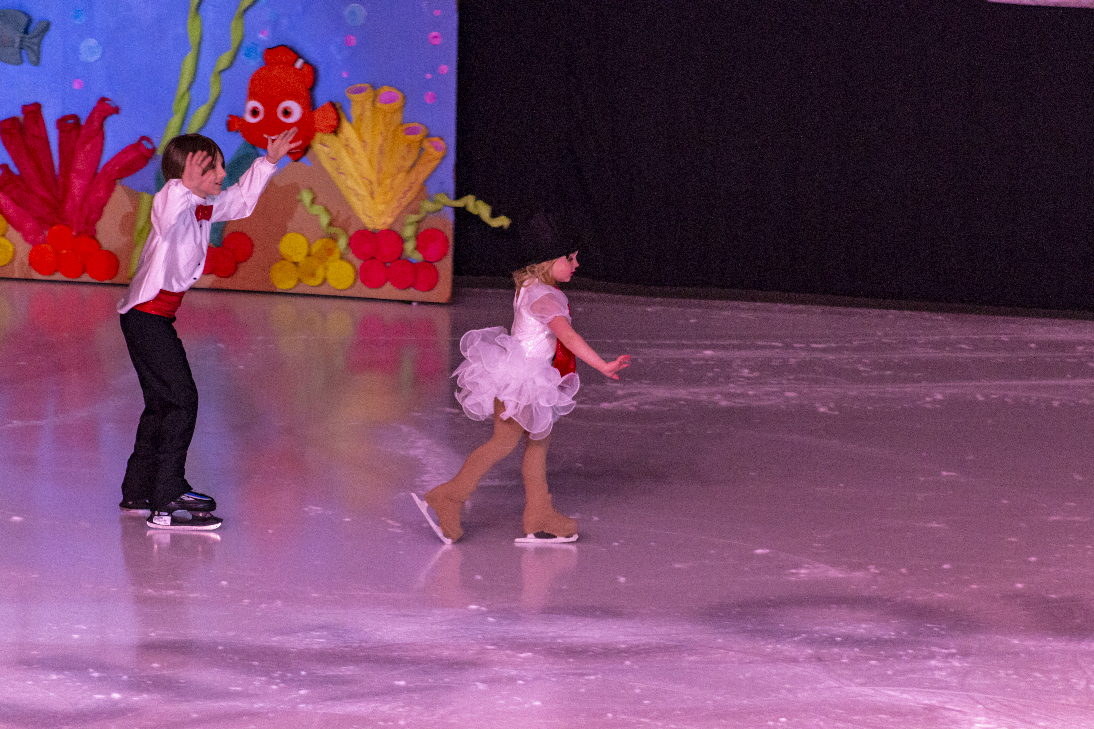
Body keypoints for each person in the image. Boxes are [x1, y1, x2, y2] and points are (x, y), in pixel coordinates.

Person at [117, 129, 299, 531]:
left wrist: (268, 161)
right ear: (185, 174)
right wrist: (182, 183)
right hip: (147, 318)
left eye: (219, 164)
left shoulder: (203, 205)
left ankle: (138, 488)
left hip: (152, 318)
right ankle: (167, 495)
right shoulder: (171, 202)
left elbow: (240, 200)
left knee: (162, 404)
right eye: (210, 167)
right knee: (182, 401)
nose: (220, 173)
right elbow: (169, 208)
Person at [414, 226, 630, 544]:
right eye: (570, 258)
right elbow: (568, 336)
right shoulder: (546, 296)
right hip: (525, 380)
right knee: (505, 443)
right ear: (547, 261)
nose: (576, 264)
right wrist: (602, 364)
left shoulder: (529, 286)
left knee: (536, 444)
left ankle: (538, 513)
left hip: (519, 374)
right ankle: (450, 495)